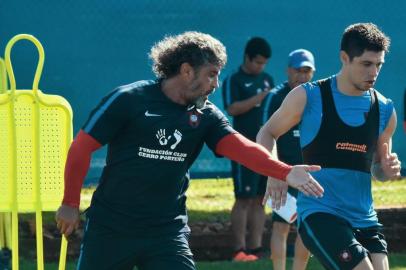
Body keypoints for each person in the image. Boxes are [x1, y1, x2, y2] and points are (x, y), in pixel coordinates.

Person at [55, 31, 323, 270]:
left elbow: (242, 149)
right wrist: (70, 203)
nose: (216, 84)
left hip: (166, 231)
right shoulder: (129, 99)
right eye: (211, 74)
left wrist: (285, 171)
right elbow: (81, 148)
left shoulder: (205, 115)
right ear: (186, 70)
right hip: (112, 228)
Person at [257, 23, 401, 270]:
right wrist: (275, 171)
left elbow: (377, 170)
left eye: (379, 65)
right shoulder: (309, 96)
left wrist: (385, 172)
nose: (373, 72)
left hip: (365, 218)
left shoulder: (385, 109)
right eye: (366, 64)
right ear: (345, 58)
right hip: (320, 213)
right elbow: (267, 132)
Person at [261, 49, 315, 270]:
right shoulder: (276, 96)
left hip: (310, 173)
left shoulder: (316, 96)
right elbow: (266, 133)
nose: (302, 76)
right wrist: (275, 172)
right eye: (298, 70)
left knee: (307, 227)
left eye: (307, 71)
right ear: (288, 70)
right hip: (283, 171)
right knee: (281, 226)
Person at [221, 37, 274, 261]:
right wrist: (257, 99)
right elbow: (232, 108)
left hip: (266, 148)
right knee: (243, 198)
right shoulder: (234, 80)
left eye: (264, 63)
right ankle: (239, 249)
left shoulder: (268, 79)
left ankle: (256, 248)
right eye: (257, 62)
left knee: (260, 198)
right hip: (243, 148)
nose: (260, 67)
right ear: (247, 58)